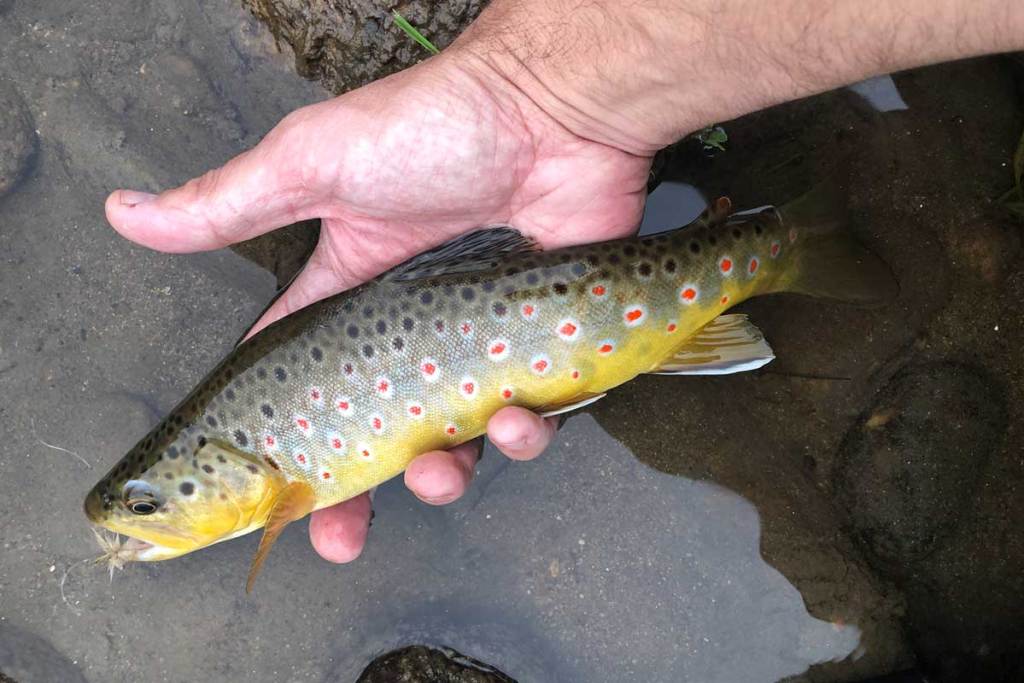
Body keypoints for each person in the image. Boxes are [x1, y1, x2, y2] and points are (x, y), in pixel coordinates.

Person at [104, 0, 1023, 562]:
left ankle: (775, 248)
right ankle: (765, 251)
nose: (139, 519)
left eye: (146, 504)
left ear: (214, 474)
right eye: (143, 507)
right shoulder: (276, 467)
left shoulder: (289, 488)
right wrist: (539, 88)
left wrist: (537, 94)